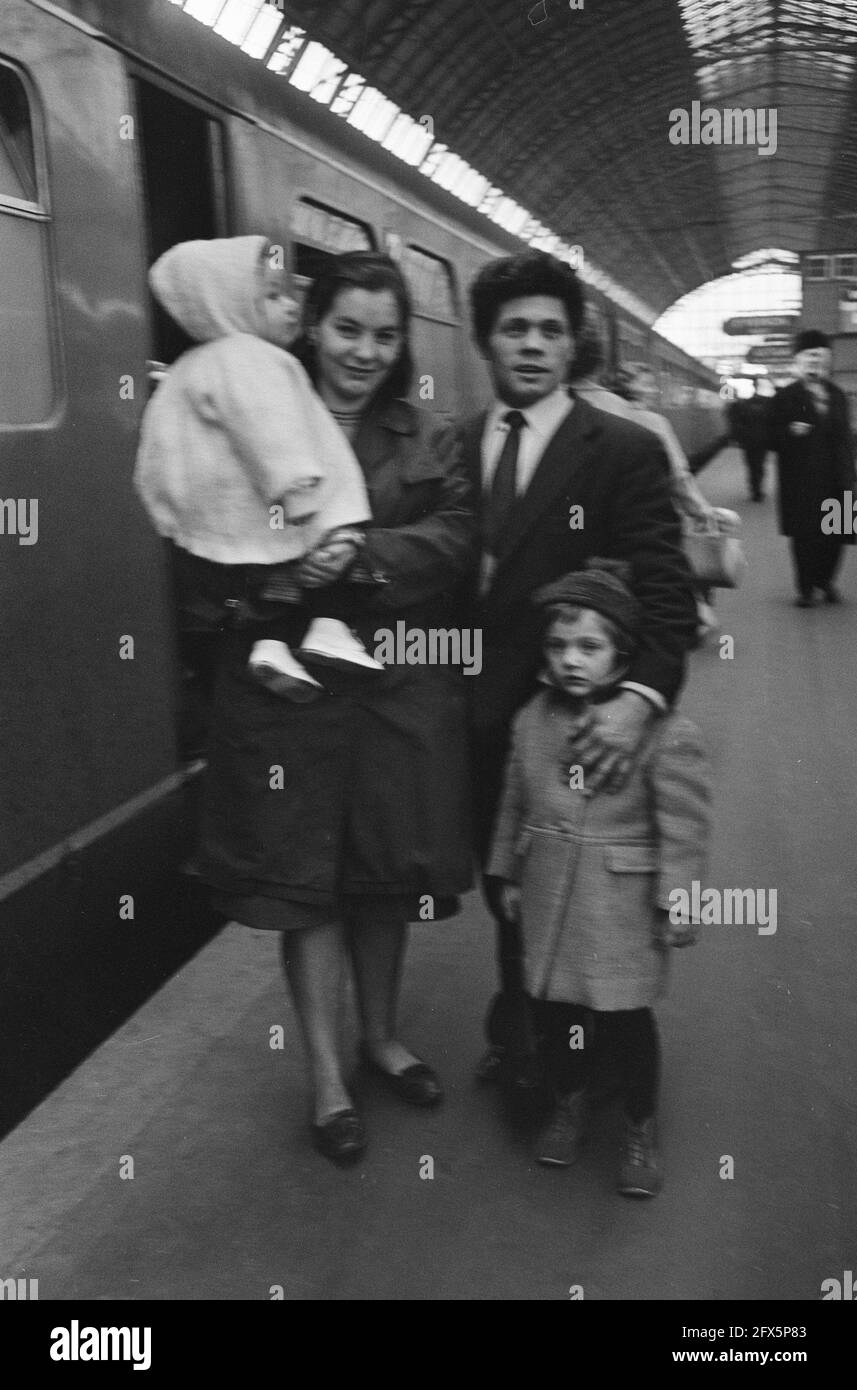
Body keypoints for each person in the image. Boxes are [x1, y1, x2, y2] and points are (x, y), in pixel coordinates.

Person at [195, 251, 476, 1164]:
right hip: (287, 692)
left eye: (384, 334)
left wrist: (362, 561)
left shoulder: (424, 435)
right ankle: (325, 1079)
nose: (364, 350)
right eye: (347, 328)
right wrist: (275, 578)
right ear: (312, 326)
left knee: (385, 873)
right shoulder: (253, 420)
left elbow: (455, 540)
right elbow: (195, 545)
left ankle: (381, 1039)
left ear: (402, 345)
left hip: (392, 684)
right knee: (305, 882)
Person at [459, 250, 697, 1090]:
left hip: (583, 723)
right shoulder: (455, 446)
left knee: (598, 895)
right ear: (485, 341)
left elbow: (667, 597)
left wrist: (637, 700)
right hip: (485, 729)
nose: (531, 345)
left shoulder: (620, 450)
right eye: (513, 329)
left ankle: (597, 1063)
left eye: (549, 331)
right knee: (510, 889)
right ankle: (527, 1035)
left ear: (571, 347)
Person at [487, 559, 710, 1195]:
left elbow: (686, 830)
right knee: (557, 1018)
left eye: (590, 646)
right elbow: (513, 802)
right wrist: (504, 870)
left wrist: (682, 902)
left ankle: (640, 1124)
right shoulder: (531, 719)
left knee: (626, 1022)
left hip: (620, 906)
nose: (570, 661)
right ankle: (570, 1098)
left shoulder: (665, 734)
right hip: (548, 897)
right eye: (558, 647)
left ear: (622, 654)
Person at [134, 235, 384, 703]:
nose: (292, 306)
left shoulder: (190, 367)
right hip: (286, 507)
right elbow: (269, 433)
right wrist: (298, 494)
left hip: (227, 528)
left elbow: (158, 451)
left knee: (270, 589)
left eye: (289, 292)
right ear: (226, 305)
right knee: (329, 568)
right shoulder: (250, 360)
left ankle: (271, 646)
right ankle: (327, 630)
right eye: (272, 296)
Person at [616, 362, 722, 639]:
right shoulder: (655, 423)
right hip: (653, 511)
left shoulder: (600, 414)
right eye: (647, 384)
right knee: (667, 565)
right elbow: (679, 475)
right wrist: (699, 509)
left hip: (610, 514)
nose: (653, 390)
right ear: (628, 386)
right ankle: (698, 615)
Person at [768, 330, 856, 606]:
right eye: (810, 356)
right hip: (802, 481)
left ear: (828, 362)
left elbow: (846, 435)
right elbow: (768, 438)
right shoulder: (785, 397)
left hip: (839, 479)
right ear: (798, 361)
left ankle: (825, 581)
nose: (815, 362)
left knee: (838, 537)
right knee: (806, 538)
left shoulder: (838, 395)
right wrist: (789, 432)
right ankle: (806, 589)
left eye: (821, 357)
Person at [728, 378, 771, 502]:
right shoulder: (765, 405)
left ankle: (754, 489)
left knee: (752, 465)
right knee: (760, 465)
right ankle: (757, 490)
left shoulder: (744, 405)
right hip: (761, 440)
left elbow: (737, 423)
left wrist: (738, 438)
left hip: (749, 441)